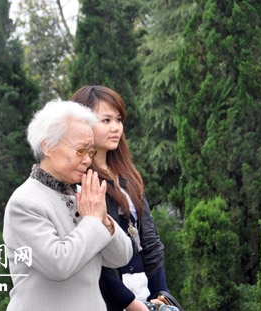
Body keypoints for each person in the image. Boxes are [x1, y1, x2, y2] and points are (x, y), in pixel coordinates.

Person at [3, 100, 133, 311]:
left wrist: (104, 220)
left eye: (90, 152)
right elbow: (58, 265)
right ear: (48, 147)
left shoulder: (82, 196)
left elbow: (121, 257)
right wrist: (92, 220)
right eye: (80, 151)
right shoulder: (24, 202)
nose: (87, 161)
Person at [72, 86, 169, 311]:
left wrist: (161, 294)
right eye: (105, 120)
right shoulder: (80, 182)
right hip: (112, 302)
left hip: (147, 294)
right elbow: (94, 259)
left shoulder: (127, 175)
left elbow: (150, 241)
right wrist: (133, 305)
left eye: (118, 119)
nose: (115, 127)